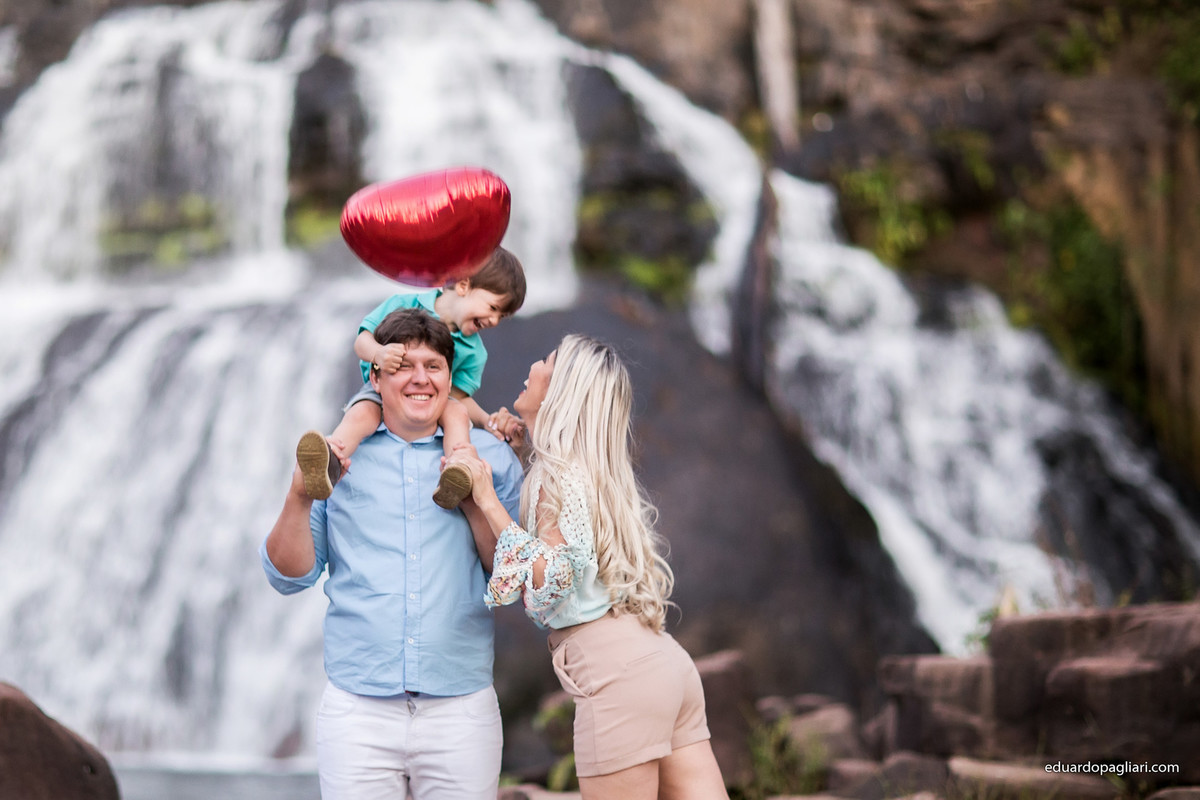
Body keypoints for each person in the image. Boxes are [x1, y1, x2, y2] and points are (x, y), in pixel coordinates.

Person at [448, 334, 729, 800]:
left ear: (560, 391)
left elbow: (556, 580)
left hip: (616, 678)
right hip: (665, 665)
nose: (533, 365)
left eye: (547, 362)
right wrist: (521, 455)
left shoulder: (555, 478)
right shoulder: (587, 473)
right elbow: (571, 548)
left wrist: (486, 499)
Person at [262, 308, 524, 800]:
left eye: (434, 366)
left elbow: (509, 582)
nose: (420, 379)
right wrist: (298, 497)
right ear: (375, 376)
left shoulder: (491, 460)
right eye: (404, 365)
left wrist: (474, 506)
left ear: (451, 379)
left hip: (461, 709)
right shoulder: (334, 456)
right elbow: (288, 577)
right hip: (357, 711)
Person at [296, 246, 526, 510]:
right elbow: (362, 341)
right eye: (494, 307)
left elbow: (460, 396)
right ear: (463, 285)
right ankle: (330, 462)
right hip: (383, 393)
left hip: (432, 403)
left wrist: (488, 420)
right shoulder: (404, 304)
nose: (495, 320)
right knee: (362, 414)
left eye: (503, 316)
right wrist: (379, 354)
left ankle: (458, 471)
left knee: (457, 414)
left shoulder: (475, 351)